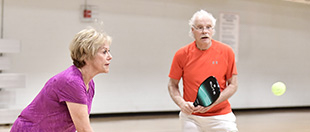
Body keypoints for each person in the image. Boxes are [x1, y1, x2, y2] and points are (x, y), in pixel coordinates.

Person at [10, 27, 112, 132]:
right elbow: (84, 129)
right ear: (86, 56)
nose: (110, 56)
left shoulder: (89, 83)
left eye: (109, 51)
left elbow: (73, 124)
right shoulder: (72, 82)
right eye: (104, 52)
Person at [168, 10, 238, 132]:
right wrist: (182, 104)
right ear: (192, 30)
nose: (205, 31)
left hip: (221, 115)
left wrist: (213, 103)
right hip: (192, 116)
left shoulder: (226, 51)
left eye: (208, 27)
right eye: (200, 28)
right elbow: (172, 85)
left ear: (213, 30)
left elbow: (233, 85)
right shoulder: (181, 54)